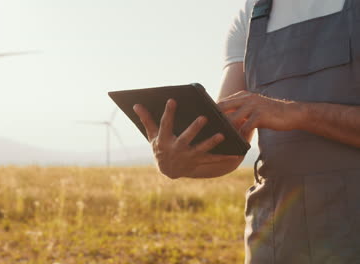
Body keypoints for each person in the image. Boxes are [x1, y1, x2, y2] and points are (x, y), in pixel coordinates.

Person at [133, 0, 360, 263]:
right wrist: (181, 164)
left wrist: (298, 113)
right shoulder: (252, 14)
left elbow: (285, 113)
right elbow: (228, 149)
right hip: (277, 236)